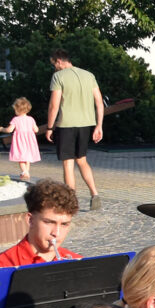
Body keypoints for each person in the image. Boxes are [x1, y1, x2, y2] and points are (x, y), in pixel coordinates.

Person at [43, 49, 103, 209]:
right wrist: (99, 126)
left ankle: (71, 201)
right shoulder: (89, 75)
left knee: (68, 164)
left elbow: (54, 105)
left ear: (59, 61)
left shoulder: (58, 77)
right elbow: (99, 102)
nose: (54, 67)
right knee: (82, 161)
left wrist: (50, 127)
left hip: (66, 125)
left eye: (54, 64)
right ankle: (95, 194)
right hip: (86, 124)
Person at [0, 180, 82, 276]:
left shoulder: (77, 262)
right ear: (30, 220)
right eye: (49, 222)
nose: (56, 233)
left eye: (64, 224)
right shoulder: (2, 265)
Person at [6, 97, 39, 181]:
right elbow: (36, 130)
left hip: (20, 141)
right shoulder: (31, 119)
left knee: (20, 157)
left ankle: (25, 172)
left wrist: (2, 129)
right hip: (29, 141)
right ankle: (26, 172)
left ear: (17, 109)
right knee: (27, 157)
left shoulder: (15, 119)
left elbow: (9, 130)